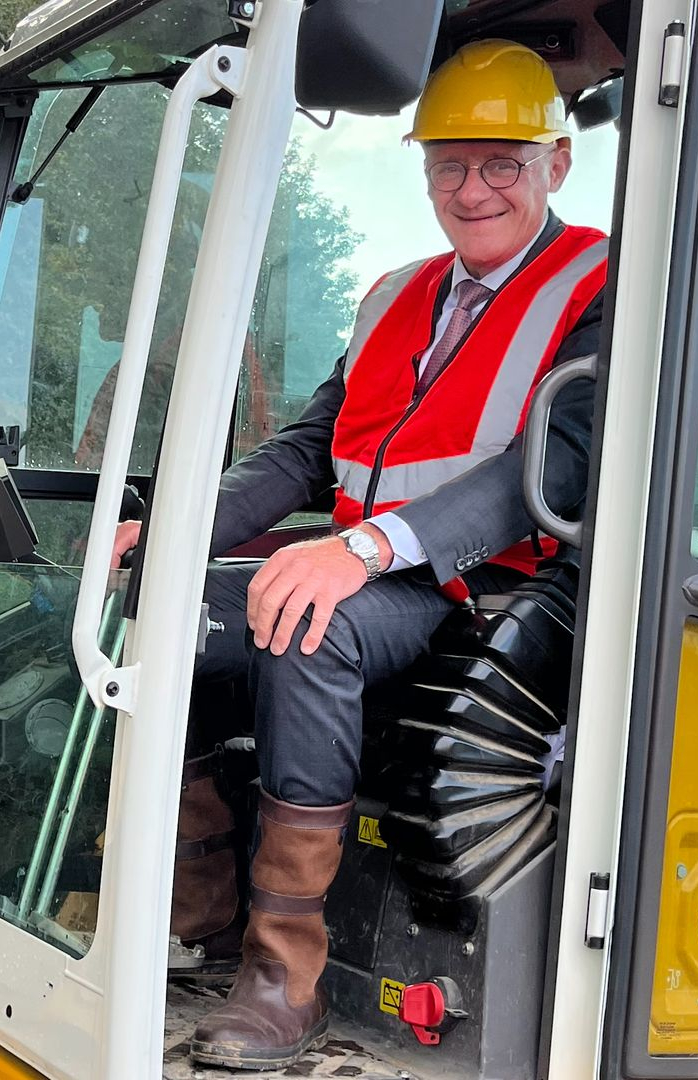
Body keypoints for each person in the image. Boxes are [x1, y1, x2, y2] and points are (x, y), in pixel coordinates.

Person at [111, 41, 609, 1070]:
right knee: (178, 605)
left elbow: (549, 462)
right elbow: (308, 448)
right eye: (449, 166)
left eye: (502, 163)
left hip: (485, 586)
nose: (472, 191)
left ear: (555, 164)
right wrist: (175, 531)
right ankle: (192, 910)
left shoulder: (603, 286)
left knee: (309, 625)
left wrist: (368, 548)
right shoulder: (394, 296)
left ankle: (284, 977)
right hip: (375, 567)